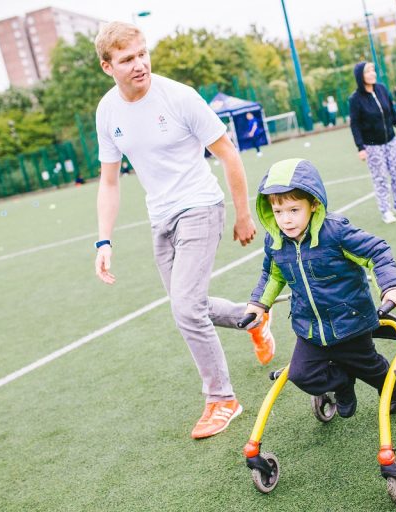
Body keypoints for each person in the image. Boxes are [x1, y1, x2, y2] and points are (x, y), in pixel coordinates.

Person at [92, 21, 274, 440]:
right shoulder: (107, 111)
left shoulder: (178, 96)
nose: (140, 64)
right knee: (187, 304)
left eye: (142, 53)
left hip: (200, 208)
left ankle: (222, 399)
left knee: (185, 309)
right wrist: (104, 239)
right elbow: (110, 180)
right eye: (127, 59)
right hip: (161, 219)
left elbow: (228, 153)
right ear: (108, 67)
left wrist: (244, 214)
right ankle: (252, 320)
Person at [243, 158, 396, 418]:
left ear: (314, 203)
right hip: (310, 327)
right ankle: (342, 384)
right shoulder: (275, 241)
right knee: (300, 374)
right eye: (278, 212)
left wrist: (390, 286)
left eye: (294, 210)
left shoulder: (335, 233)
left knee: (370, 367)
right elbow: (272, 274)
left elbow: (377, 251)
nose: (285, 220)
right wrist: (258, 304)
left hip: (350, 322)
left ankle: (389, 384)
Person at [348, 61, 396, 224]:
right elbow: (355, 124)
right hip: (372, 145)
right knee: (380, 178)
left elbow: (392, 113)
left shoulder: (382, 89)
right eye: (368, 71)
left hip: (391, 140)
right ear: (360, 76)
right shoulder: (355, 99)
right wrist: (360, 148)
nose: (372, 73)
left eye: (373, 70)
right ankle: (385, 211)